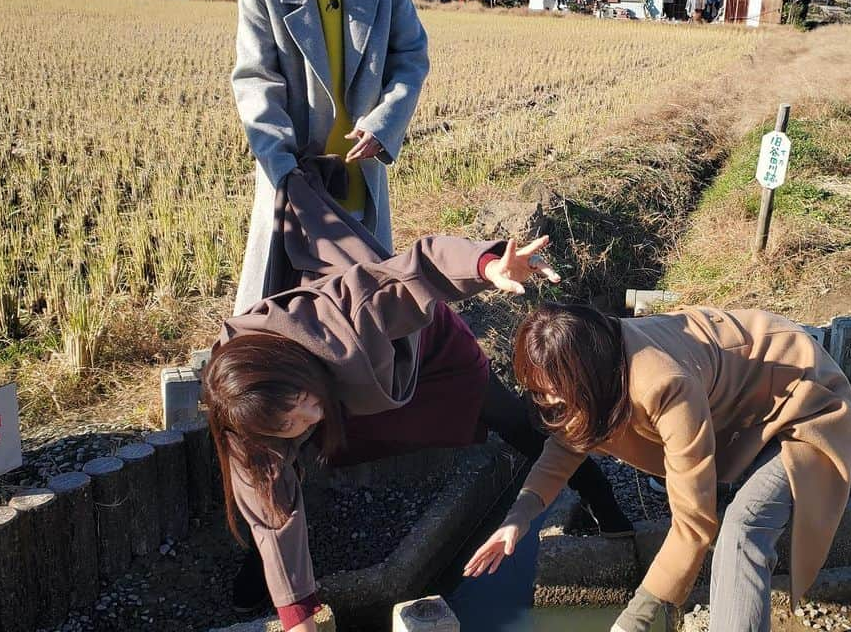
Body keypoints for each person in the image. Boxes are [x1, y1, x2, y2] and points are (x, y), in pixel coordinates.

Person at [203, 177, 634, 632]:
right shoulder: (246, 406)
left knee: (515, 421)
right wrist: (299, 614)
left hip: (425, 349)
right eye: (289, 424)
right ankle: (264, 581)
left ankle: (603, 502)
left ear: (301, 375)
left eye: (304, 406)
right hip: (349, 388)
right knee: (277, 476)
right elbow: (266, 495)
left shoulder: (347, 315)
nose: (307, 421)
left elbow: (420, 266)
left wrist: (487, 266)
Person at [465, 302, 851, 632]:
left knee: (744, 526)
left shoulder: (664, 385)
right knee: (732, 529)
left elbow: (693, 523)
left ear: (586, 380)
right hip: (745, 409)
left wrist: (634, 620)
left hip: (802, 397)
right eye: (538, 392)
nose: (548, 401)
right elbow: (566, 446)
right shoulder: (596, 359)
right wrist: (519, 517)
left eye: (555, 393)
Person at [231, 0, 429, 313]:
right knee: (290, 308)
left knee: (363, 308)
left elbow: (410, 56)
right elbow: (256, 80)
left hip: (360, 169)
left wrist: (384, 125)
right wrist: (283, 169)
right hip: (297, 178)